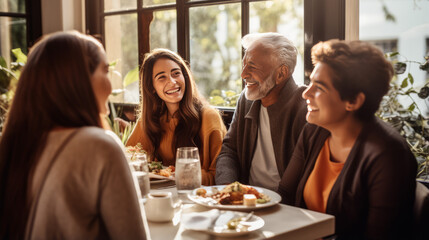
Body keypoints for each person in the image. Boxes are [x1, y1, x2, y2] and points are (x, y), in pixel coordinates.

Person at [0, 31, 150, 239]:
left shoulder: (16, 146)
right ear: (79, 80)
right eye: (105, 71)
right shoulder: (99, 146)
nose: (111, 86)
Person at [278, 39, 417, 239]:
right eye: (310, 82)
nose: (306, 94)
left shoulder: (389, 156)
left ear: (353, 101)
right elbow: (285, 196)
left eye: (320, 87)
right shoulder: (313, 132)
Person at [215, 32, 307, 191]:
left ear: (281, 73)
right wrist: (228, 189)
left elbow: (304, 174)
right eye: (244, 65)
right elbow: (229, 151)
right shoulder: (246, 99)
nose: (243, 74)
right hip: (246, 200)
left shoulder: (305, 106)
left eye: (252, 66)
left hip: (286, 206)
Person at [126, 48, 226, 186]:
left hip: (198, 197)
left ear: (185, 77)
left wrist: (176, 175)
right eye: (162, 77)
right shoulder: (148, 120)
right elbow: (128, 161)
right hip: (160, 196)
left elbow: (220, 177)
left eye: (176, 73)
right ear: (152, 87)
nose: (172, 82)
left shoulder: (209, 117)